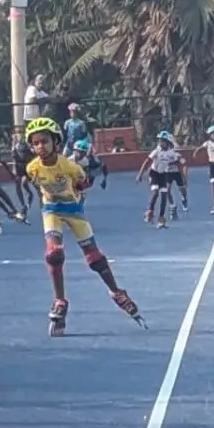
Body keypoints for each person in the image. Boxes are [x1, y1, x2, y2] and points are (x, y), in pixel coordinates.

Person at [23, 117, 145, 336]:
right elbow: (33, 183)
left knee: (94, 258)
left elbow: (84, 182)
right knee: (53, 254)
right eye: (35, 143)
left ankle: (116, 291)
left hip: (74, 212)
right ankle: (59, 299)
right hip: (51, 211)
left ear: (56, 143)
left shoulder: (70, 166)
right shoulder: (32, 168)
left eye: (44, 141)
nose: (40, 146)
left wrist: (83, 182)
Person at [135, 131, 187, 227]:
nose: (160, 143)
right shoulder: (156, 151)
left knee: (164, 196)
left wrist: (181, 162)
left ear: (167, 142)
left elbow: (179, 161)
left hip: (163, 175)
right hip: (154, 174)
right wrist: (140, 175)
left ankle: (161, 218)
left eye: (162, 141)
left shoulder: (171, 153)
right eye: (159, 140)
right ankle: (149, 211)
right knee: (155, 192)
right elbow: (147, 162)